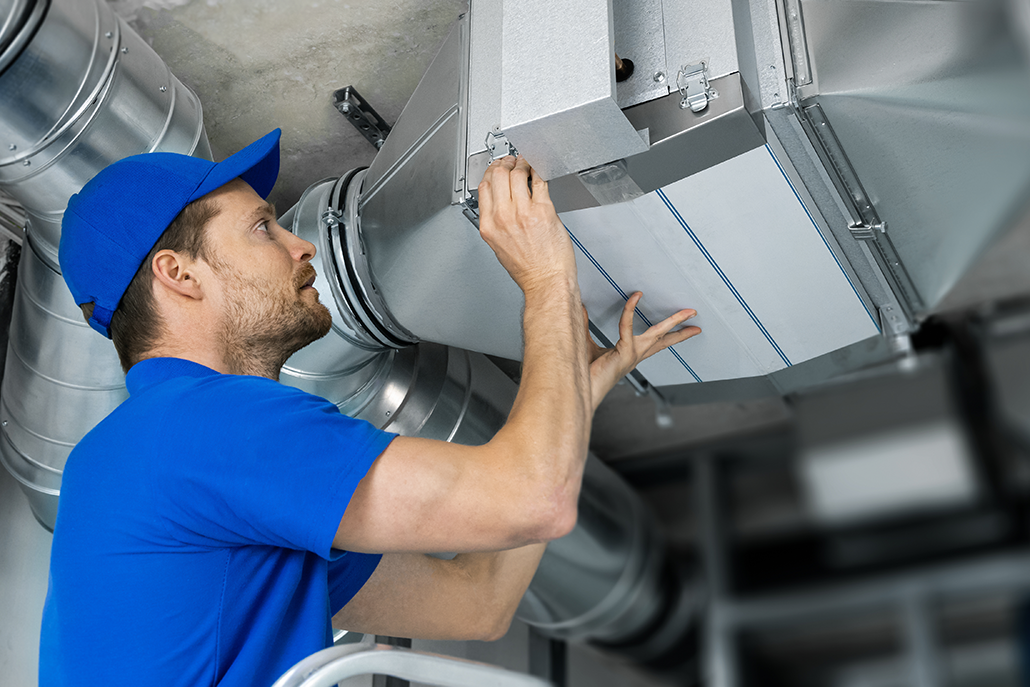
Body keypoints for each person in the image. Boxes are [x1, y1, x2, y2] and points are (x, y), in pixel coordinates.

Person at [39, 129, 700, 686]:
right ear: (178, 274)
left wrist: (575, 392)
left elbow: (479, 601)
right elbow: (536, 501)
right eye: (262, 228)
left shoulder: (138, 459)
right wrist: (547, 277)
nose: (301, 246)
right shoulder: (202, 428)